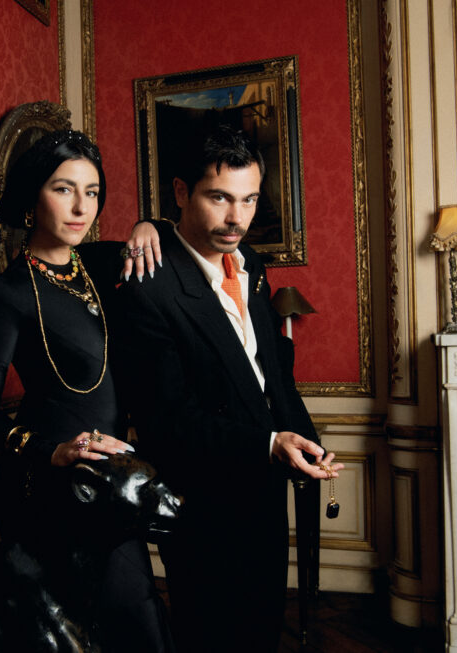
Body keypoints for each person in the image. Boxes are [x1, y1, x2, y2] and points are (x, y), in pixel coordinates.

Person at [116, 125, 343, 653]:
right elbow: (167, 421)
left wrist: (306, 442)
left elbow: (272, 376)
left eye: (249, 199)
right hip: (203, 504)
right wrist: (269, 443)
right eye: (219, 198)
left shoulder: (251, 264)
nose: (237, 217)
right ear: (180, 192)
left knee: (262, 630)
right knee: (213, 636)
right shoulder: (147, 286)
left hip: (264, 488)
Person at [0, 129, 172, 652]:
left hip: (108, 480)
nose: (82, 208)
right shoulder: (8, 296)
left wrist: (148, 224)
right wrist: (50, 451)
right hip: (48, 484)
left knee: (140, 620)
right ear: (33, 196)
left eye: (92, 192)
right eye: (63, 189)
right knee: (73, 635)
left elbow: (163, 241)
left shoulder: (97, 263)